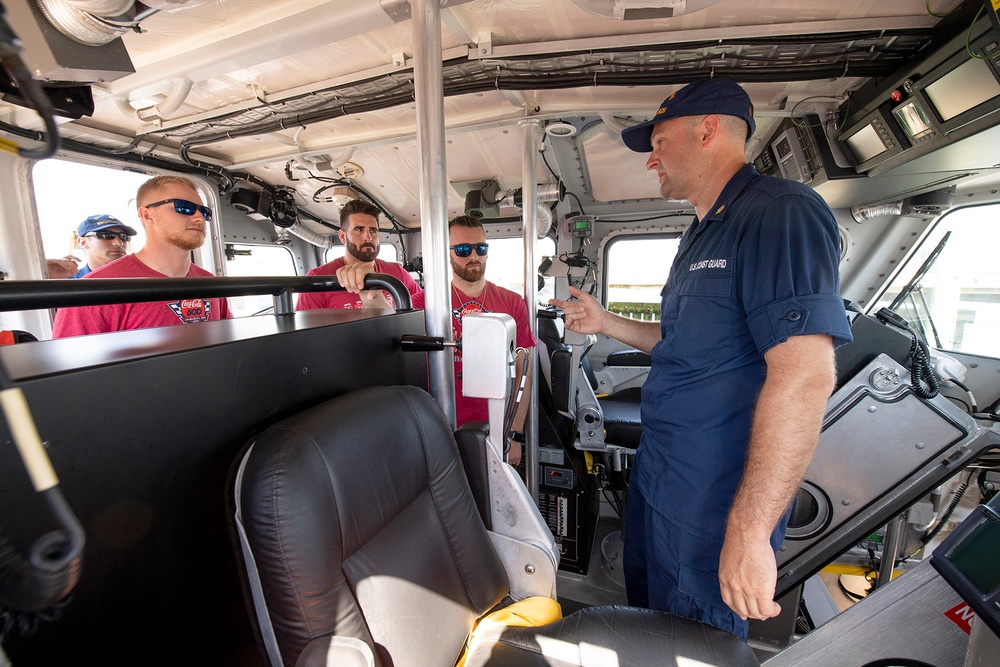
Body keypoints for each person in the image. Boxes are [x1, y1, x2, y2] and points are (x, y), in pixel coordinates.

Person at [549, 78, 853, 640]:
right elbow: (686, 342)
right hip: (663, 470)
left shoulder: (781, 214)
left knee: (696, 641)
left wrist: (750, 530)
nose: (651, 161)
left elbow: (805, 375)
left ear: (707, 130)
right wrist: (606, 322)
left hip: (714, 493)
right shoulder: (702, 232)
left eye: (659, 142)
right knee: (653, 620)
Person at [412, 216, 536, 466]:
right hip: (437, 428)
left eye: (480, 248)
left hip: (495, 427)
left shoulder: (512, 303)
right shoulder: (422, 304)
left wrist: (513, 433)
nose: (473, 256)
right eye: (462, 250)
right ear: (448, 255)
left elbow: (525, 369)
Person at [52, 176, 232, 338]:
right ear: (147, 215)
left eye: (204, 212)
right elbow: (70, 369)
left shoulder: (209, 283)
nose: (199, 218)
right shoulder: (93, 291)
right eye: (184, 208)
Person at [295, 199, 422, 311]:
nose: (368, 237)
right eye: (359, 229)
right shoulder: (318, 279)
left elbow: (421, 314)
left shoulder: (397, 273)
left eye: (373, 230)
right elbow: (304, 334)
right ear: (343, 236)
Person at [70, 214, 137, 278]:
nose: (119, 242)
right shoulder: (69, 284)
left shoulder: (140, 280)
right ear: (83, 242)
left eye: (124, 237)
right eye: (107, 235)